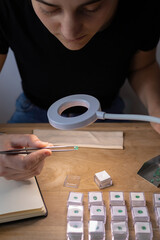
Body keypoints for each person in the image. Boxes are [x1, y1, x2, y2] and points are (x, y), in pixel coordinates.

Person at [0, 0, 160, 180]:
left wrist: (156, 108)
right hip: (32, 113)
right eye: (49, 9)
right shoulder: (7, 6)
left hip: (107, 114)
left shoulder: (145, 6)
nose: (70, 32)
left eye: (91, 8)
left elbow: (143, 67)